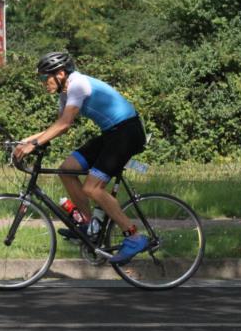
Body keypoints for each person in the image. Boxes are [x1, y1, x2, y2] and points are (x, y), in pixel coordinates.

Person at [13, 51, 149, 265]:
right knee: (67, 169)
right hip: (112, 133)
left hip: (127, 133)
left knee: (92, 188)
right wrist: (24, 141)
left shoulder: (77, 84)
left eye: (44, 77)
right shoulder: (65, 93)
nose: (43, 83)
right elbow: (58, 126)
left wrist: (33, 145)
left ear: (60, 74)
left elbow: (65, 124)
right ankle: (89, 227)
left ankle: (134, 237)